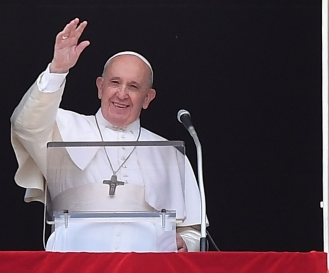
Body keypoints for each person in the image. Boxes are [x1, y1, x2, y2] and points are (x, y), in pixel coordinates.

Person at [11, 18, 203, 252]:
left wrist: (187, 243)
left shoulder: (169, 154)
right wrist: (57, 70)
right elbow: (26, 125)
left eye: (133, 87)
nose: (122, 94)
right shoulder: (63, 128)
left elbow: (193, 231)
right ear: (100, 87)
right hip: (75, 268)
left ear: (147, 98)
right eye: (114, 83)